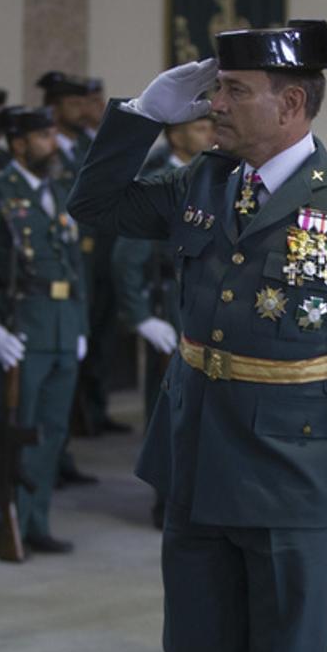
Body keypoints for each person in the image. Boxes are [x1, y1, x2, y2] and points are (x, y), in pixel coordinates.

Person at [69, 19, 327, 652]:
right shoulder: (205, 182)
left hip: (294, 468)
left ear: (290, 104)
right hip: (198, 449)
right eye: (216, 90)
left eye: (235, 90)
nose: (216, 104)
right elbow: (95, 203)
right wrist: (143, 114)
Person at [0, 105, 89, 558]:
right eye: (43, 136)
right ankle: (7, 522)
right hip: (21, 328)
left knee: (51, 432)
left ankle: (37, 521)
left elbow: (76, 265)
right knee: (14, 432)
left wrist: (81, 323)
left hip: (62, 328)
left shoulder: (58, 189)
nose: (53, 143)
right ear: (18, 144)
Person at [110, 116, 216, 528]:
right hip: (168, 308)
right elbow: (126, 257)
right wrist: (140, 318)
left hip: (201, 308)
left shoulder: (212, 175)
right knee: (170, 408)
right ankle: (166, 500)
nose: (209, 133)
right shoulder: (161, 182)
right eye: (199, 127)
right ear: (175, 134)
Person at [41, 70, 130, 437]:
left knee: (100, 338)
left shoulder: (82, 147)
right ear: (54, 107)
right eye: (73, 103)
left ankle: (92, 410)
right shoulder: (45, 153)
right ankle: (73, 419)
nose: (81, 110)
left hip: (98, 259)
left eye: (84, 102)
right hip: (68, 263)